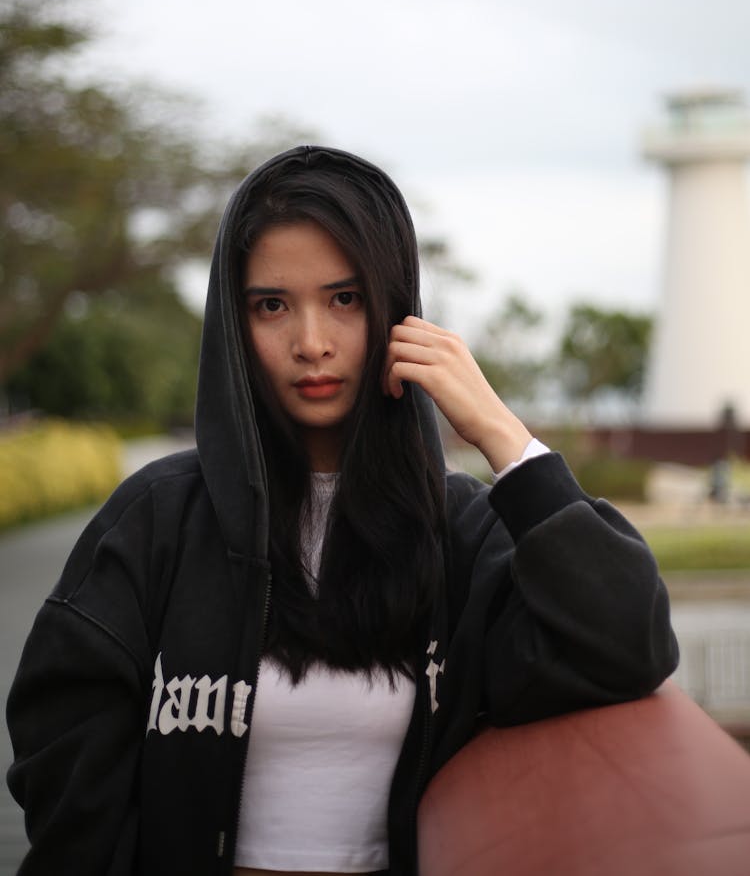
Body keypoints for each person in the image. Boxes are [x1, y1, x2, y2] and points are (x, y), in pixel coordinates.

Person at [7, 145, 678, 875]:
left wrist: (500, 432)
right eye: (272, 305)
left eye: (345, 298)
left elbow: (629, 642)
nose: (312, 343)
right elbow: (59, 732)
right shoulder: (157, 516)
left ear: (395, 309)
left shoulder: (457, 527)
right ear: (235, 324)